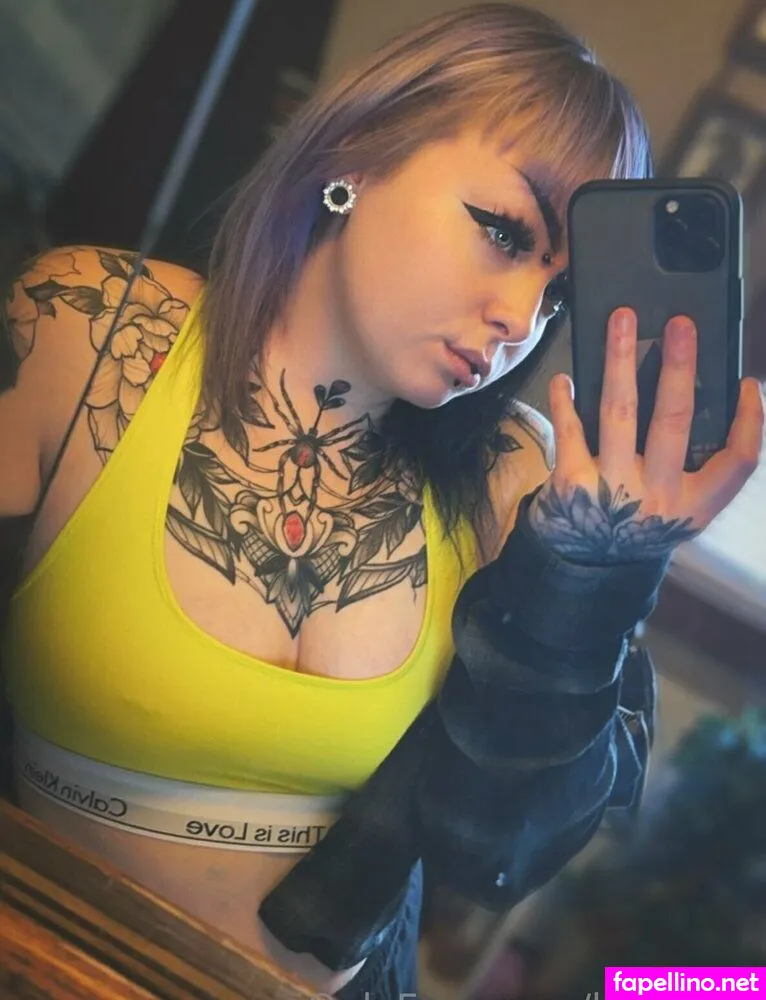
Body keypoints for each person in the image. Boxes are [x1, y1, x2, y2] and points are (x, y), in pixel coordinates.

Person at [0, 4, 762, 999]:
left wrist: (588, 582)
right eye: (502, 231)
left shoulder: (513, 480)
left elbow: (497, 857)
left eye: (557, 295)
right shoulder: (91, 331)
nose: (519, 318)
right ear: (359, 151)